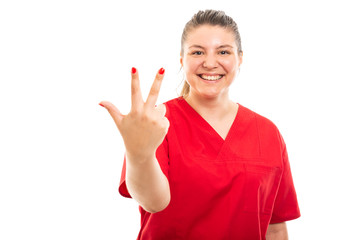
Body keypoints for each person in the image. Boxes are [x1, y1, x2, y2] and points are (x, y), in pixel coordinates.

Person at [100, 9, 300, 240]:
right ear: (182, 60)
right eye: (198, 52)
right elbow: (153, 202)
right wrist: (139, 153)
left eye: (223, 51)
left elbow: (274, 227)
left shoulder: (267, 133)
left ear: (240, 59)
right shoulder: (155, 123)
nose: (210, 63)